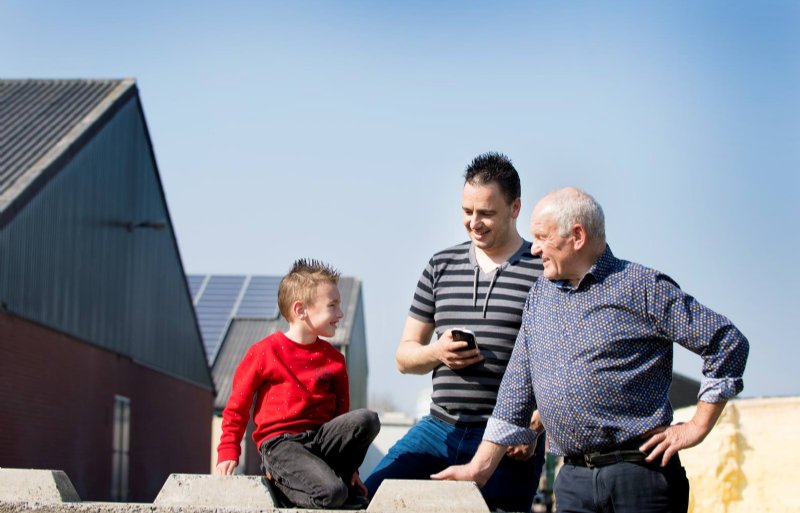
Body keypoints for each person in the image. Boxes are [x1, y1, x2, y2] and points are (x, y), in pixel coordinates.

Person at [432, 187, 750, 513]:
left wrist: (696, 427)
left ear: (577, 236)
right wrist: (479, 469)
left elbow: (727, 343)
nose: (534, 249)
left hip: (640, 476)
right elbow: (515, 391)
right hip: (573, 482)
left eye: (542, 237)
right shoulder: (539, 297)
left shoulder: (641, 286)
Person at [364, 153, 546, 512]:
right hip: (438, 428)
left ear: (515, 208)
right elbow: (404, 356)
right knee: (367, 499)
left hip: (506, 436)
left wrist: (536, 425)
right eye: (467, 211)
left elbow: (562, 361)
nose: (474, 222)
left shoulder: (543, 270)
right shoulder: (440, 265)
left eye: (486, 213)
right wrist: (437, 353)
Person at [215, 259, 380, 510]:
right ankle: (289, 487)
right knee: (333, 494)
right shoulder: (264, 352)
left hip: (321, 442)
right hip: (281, 446)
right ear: (301, 310)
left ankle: (340, 482)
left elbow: (341, 419)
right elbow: (237, 406)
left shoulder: (335, 360)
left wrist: (351, 470)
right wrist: (228, 449)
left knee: (367, 420)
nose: (340, 313)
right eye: (332, 305)